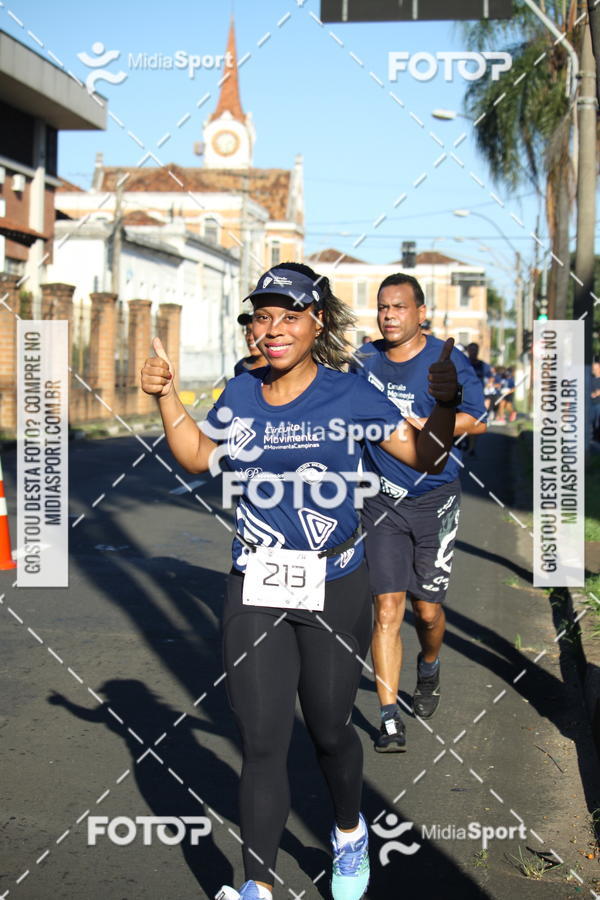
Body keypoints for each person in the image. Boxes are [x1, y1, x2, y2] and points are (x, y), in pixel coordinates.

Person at [141, 262, 459, 900]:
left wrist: (445, 407)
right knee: (260, 740)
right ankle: (257, 884)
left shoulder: (351, 394)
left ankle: (347, 831)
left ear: (318, 322)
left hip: (334, 581)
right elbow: (199, 456)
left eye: (289, 316)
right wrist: (165, 398)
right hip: (253, 582)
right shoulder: (240, 393)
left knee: (330, 729)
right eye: (263, 316)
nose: (273, 328)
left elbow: (427, 456)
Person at [350, 273, 486, 752]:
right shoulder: (363, 360)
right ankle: (388, 717)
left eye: (399, 307)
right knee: (387, 608)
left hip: (436, 497)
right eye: (383, 307)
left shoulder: (445, 361)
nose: (389, 315)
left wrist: (435, 423)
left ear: (420, 313)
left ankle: (429, 667)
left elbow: (479, 421)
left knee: (427, 611)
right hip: (381, 500)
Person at [465, 342, 492, 454]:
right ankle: (464, 441)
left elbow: (490, 379)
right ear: (468, 351)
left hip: (477, 397)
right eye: (471, 350)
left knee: (475, 422)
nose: (473, 352)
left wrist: (487, 396)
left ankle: (472, 448)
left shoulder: (483, 365)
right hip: (463, 396)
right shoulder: (463, 363)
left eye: (475, 350)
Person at [591, 359, 600, 441]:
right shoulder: (591, 379)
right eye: (593, 368)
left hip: (598, 404)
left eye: (596, 368)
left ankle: (596, 438)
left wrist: (597, 393)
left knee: (597, 422)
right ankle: (594, 437)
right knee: (593, 421)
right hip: (591, 404)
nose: (594, 370)